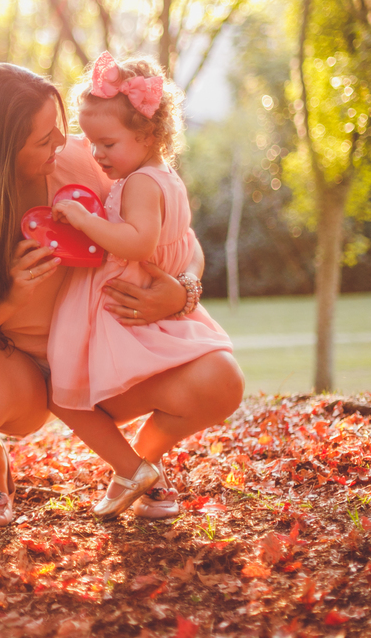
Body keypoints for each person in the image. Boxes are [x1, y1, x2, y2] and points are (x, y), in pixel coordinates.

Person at [0, 62, 243, 527]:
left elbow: (181, 240)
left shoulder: (85, 160)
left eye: (58, 128)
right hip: (14, 371)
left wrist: (182, 292)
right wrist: (9, 301)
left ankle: (136, 466)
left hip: (102, 354)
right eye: (43, 138)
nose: (62, 141)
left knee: (220, 380)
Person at [46, 52, 237, 519]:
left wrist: (84, 218)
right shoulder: (165, 178)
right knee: (77, 395)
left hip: (120, 301)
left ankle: (132, 468)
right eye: (92, 143)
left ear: (149, 134)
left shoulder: (138, 185)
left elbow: (136, 242)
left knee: (66, 395)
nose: (96, 154)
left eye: (107, 144)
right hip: (152, 298)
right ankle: (139, 471)